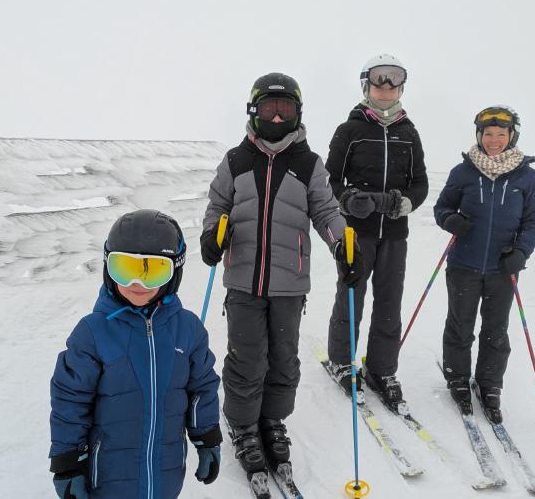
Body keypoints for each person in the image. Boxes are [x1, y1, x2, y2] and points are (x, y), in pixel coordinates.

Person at [200, 72, 364, 484]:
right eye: (269, 109)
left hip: (289, 284)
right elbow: (218, 205)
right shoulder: (236, 160)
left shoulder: (308, 164)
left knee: (283, 358)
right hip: (243, 281)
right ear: (254, 111)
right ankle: (243, 424)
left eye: (285, 109)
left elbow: (326, 211)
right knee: (246, 357)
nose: (276, 118)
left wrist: (342, 244)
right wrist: (212, 234)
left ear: (297, 113)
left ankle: (271, 419)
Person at [49, 209, 221, 499]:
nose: (137, 284)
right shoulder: (93, 333)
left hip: (166, 474)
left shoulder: (188, 330)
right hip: (108, 477)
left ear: (174, 272)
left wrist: (207, 437)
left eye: (152, 271)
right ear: (108, 268)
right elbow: (70, 400)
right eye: (125, 269)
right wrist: (68, 463)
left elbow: (202, 388)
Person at [324, 53, 428, 414]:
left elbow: (420, 183)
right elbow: (329, 181)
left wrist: (403, 203)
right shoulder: (350, 131)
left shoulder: (408, 133)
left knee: (389, 301)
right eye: (378, 82)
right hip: (357, 233)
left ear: (401, 87)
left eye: (393, 82)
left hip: (394, 235)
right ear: (366, 86)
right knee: (351, 296)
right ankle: (342, 361)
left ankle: (382, 369)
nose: (386, 88)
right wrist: (348, 198)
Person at [432, 106, 535, 423]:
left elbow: (534, 221)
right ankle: (457, 378)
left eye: (501, 134)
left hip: (502, 269)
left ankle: (490, 383)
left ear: (512, 136)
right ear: (479, 135)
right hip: (463, 265)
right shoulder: (463, 172)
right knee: (460, 326)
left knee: (496, 331)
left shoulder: (527, 177)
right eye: (488, 134)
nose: (494, 140)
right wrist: (451, 220)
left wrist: (521, 252)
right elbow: (442, 208)